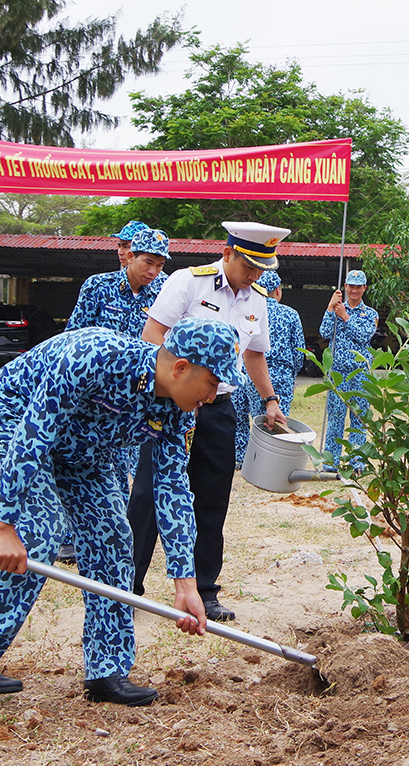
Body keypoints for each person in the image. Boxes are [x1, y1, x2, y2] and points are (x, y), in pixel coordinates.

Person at [0, 320, 241, 703]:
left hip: (83, 450)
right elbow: (34, 437)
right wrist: (4, 522)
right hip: (17, 417)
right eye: (212, 383)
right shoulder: (96, 358)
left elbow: (173, 490)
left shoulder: (179, 412)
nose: (213, 396)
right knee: (39, 529)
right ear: (180, 368)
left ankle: (106, 670)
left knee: (112, 537)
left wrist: (185, 583)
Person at [127, 222, 290, 622]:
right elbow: (153, 334)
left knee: (213, 497)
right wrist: (167, 393)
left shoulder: (259, 299)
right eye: (250, 265)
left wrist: (269, 399)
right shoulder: (188, 282)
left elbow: (254, 355)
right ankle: (126, 585)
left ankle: (205, 589)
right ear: (228, 252)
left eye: (261, 269)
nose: (254, 275)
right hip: (173, 405)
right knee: (149, 493)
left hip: (219, 407)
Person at [66, 226, 170, 495]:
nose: (153, 272)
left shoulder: (165, 290)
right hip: (100, 390)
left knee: (141, 464)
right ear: (131, 255)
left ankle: (130, 524)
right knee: (93, 463)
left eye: (159, 265)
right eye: (148, 263)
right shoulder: (98, 286)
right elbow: (74, 337)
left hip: (143, 389)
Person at [232, 269, 304, 467]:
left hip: (250, 371)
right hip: (281, 374)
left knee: (246, 416)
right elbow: (299, 351)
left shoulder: (248, 311)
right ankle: (269, 462)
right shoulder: (290, 314)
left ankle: (242, 458)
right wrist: (290, 374)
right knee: (275, 420)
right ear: (278, 291)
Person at [320, 270, 379, 472]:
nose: (354, 290)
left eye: (358, 286)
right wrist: (330, 309)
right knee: (335, 417)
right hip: (337, 372)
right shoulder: (335, 310)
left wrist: (345, 317)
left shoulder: (370, 314)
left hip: (360, 374)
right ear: (345, 286)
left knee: (359, 418)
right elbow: (324, 332)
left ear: (364, 288)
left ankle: (357, 463)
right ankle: (330, 461)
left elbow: (364, 335)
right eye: (351, 286)